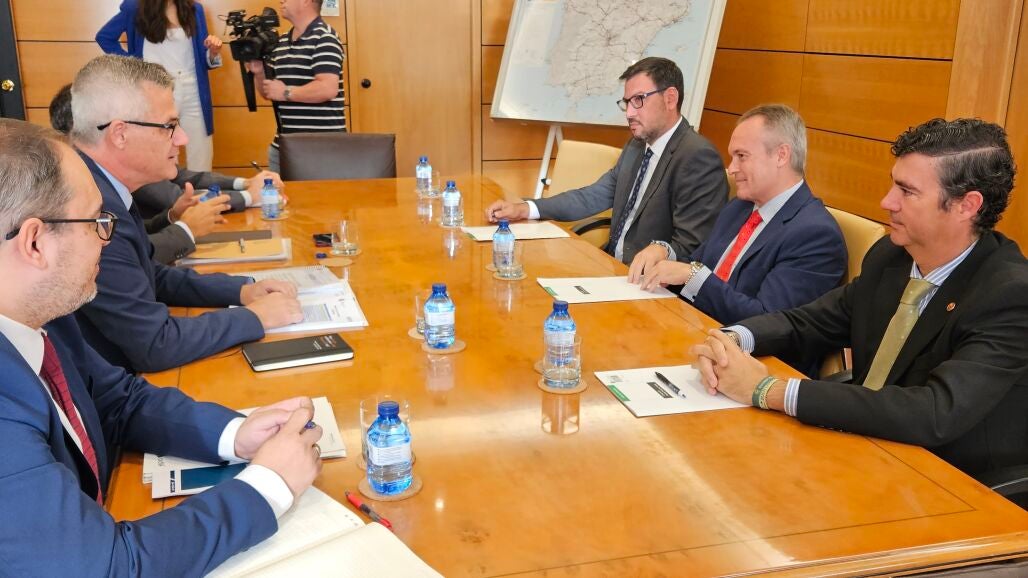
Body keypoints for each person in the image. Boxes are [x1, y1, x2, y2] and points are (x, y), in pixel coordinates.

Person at [0, 118, 323, 575]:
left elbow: (118, 401)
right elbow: (108, 567)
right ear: (35, 243)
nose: (106, 240)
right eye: (98, 222)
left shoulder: (41, 312)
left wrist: (236, 434)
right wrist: (270, 485)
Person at [691, 117, 1028, 477]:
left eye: (907, 191)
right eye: (893, 184)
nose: (887, 201)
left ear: (966, 205)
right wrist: (733, 339)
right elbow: (809, 321)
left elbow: (933, 411)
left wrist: (768, 390)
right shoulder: (891, 256)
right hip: (862, 444)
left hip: (946, 475)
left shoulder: (1009, 294)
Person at [70, 54, 303, 373]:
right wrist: (255, 317)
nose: (182, 138)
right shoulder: (86, 210)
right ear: (120, 134)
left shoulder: (102, 186)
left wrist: (241, 291)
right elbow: (156, 344)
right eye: (169, 126)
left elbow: (150, 275)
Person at [485, 57, 727, 267]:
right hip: (611, 265)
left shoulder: (697, 157)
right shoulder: (636, 146)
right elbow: (592, 196)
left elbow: (692, 246)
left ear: (670, 98)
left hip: (652, 284)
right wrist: (525, 208)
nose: (629, 113)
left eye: (638, 100)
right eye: (626, 102)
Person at [635, 104, 846, 326]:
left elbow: (768, 322)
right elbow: (696, 265)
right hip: (692, 325)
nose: (732, 168)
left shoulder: (816, 236)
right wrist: (665, 253)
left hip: (739, 345)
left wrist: (692, 275)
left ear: (781, 155)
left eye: (742, 156)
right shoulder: (739, 207)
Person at [48, 82, 288, 263]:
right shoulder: (92, 182)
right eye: (168, 127)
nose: (181, 138)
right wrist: (249, 196)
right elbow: (137, 257)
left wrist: (245, 183)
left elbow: (183, 180)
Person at [97, 0, 223, 171]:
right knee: (160, 150)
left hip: (193, 90)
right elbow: (104, 37)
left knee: (201, 151)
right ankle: (165, 189)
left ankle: (201, 189)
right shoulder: (135, 8)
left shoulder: (194, 9)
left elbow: (203, 60)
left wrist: (213, 52)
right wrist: (135, 66)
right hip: (157, 90)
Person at [245, 0, 346, 174]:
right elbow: (270, 93)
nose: (281, 1)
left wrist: (286, 92)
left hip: (322, 148)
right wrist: (259, 72)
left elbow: (327, 88)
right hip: (283, 147)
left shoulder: (325, 37)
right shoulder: (281, 42)